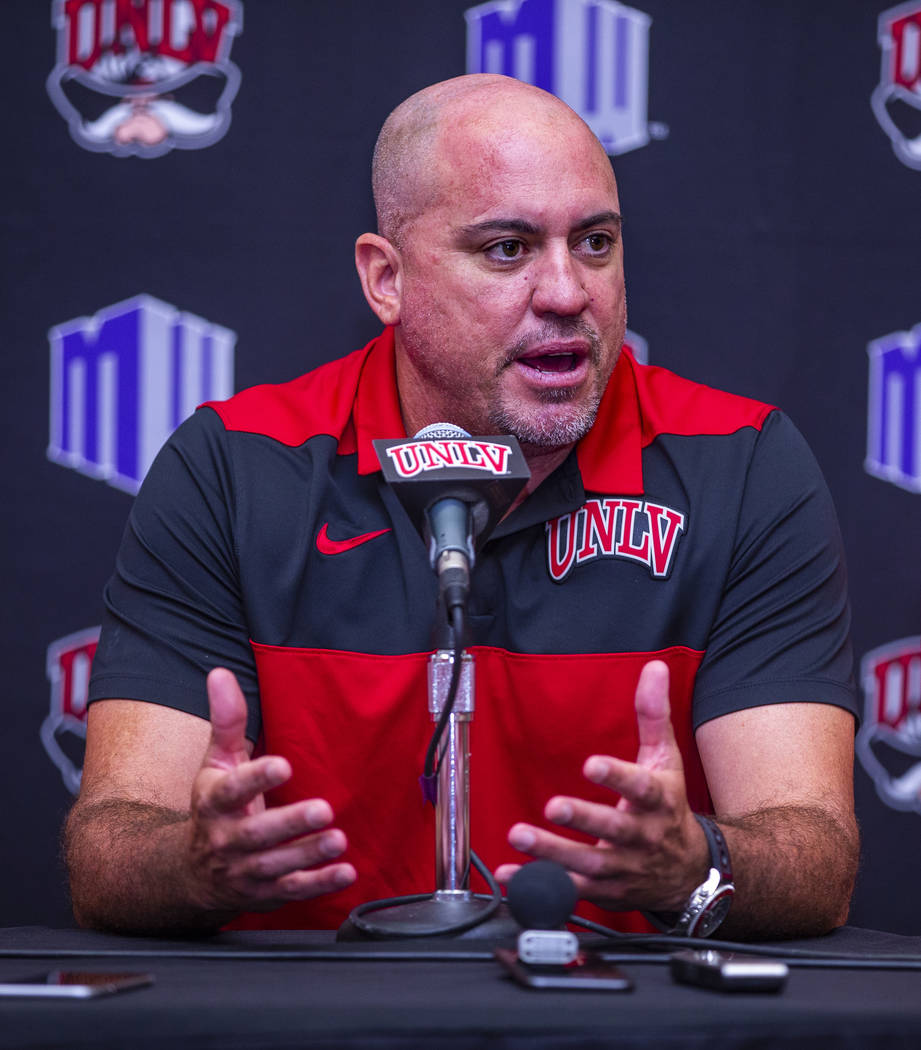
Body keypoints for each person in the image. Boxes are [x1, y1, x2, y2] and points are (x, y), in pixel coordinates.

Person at [65, 74, 859, 940]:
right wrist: (190, 866)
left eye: (594, 243)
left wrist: (693, 861)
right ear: (385, 278)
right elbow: (109, 850)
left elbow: (813, 854)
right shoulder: (234, 466)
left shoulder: (738, 465)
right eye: (507, 250)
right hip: (311, 1017)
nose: (566, 293)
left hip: (619, 1019)